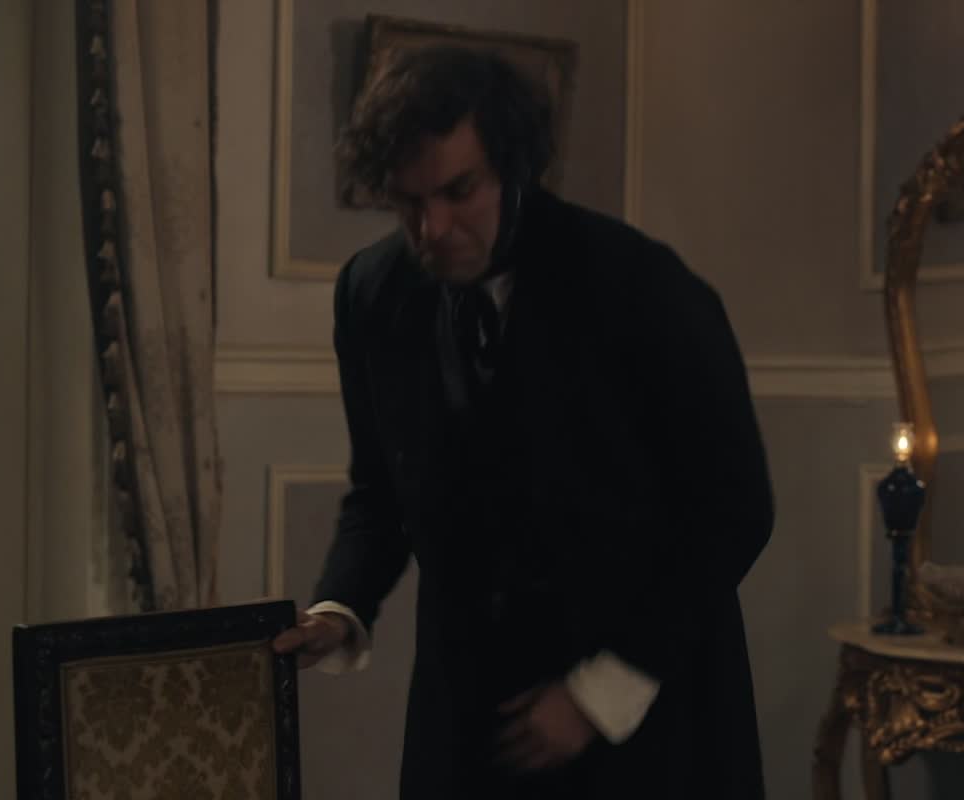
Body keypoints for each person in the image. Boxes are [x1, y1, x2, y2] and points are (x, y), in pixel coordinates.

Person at [270, 46, 775, 799]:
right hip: (469, 717)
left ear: (512, 166)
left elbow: (735, 511)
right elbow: (381, 489)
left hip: (648, 719)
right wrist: (341, 607)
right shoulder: (373, 294)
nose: (431, 228)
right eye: (407, 201)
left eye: (458, 191)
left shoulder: (640, 285)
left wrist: (597, 693)